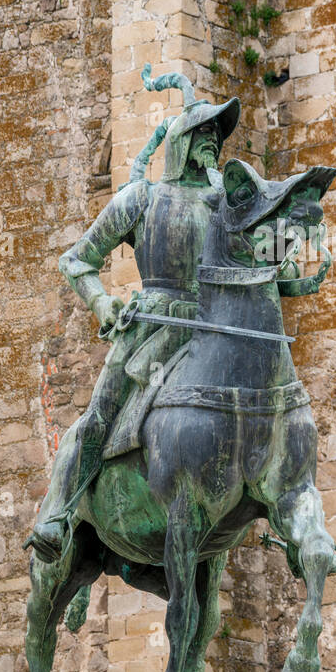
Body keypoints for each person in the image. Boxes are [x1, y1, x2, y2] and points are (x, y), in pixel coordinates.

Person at [28, 70, 240, 562]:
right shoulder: (141, 199)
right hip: (151, 326)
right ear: (183, 142)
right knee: (99, 413)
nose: (214, 141)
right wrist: (103, 302)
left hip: (212, 328)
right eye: (205, 132)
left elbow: (258, 262)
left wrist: (287, 263)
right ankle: (56, 514)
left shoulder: (226, 207)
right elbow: (77, 260)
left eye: (218, 134)